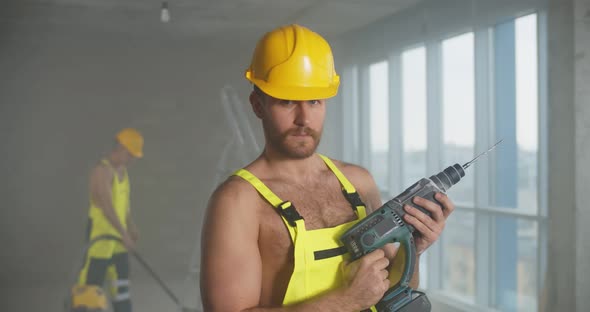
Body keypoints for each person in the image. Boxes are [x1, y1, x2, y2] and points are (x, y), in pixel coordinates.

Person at [200, 24, 455, 311]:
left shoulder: (358, 182)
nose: (304, 118)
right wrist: (344, 301)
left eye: (314, 101)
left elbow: (392, 293)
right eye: (287, 101)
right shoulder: (238, 201)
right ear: (258, 105)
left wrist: (414, 248)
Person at [77, 128, 144, 312]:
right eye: (130, 155)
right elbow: (107, 207)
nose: (132, 160)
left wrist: (131, 226)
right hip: (99, 241)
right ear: (121, 148)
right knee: (91, 291)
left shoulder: (123, 171)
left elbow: (124, 204)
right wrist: (124, 234)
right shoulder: (102, 171)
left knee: (121, 288)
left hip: (118, 242)